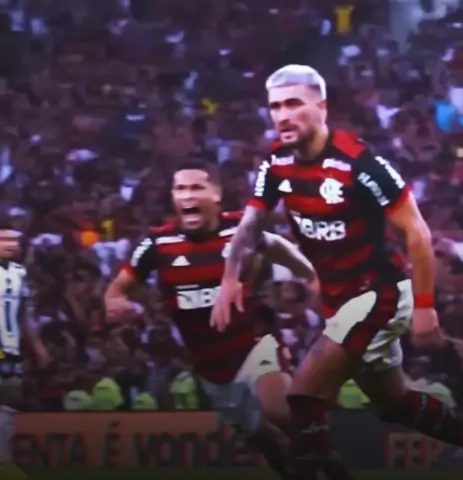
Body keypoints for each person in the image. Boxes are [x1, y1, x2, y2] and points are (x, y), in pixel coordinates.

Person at [212, 64, 463, 480]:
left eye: (293, 104)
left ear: (321, 107)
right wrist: (230, 277)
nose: (283, 115)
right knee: (393, 403)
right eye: (275, 107)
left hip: (379, 294)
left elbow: (417, 232)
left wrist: (425, 308)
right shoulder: (277, 163)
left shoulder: (359, 163)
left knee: (303, 395)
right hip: (339, 303)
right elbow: (250, 225)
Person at [104, 159, 316, 478]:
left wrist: (310, 279)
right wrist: (117, 303)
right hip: (210, 365)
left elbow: (285, 253)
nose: (187, 195)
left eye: (196, 187)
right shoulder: (157, 244)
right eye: (180, 189)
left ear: (216, 195)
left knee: (279, 410)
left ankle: (332, 466)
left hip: (254, 342)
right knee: (265, 440)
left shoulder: (244, 229)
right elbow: (117, 289)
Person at [0, 223, 49, 479]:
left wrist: (38, 347)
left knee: (11, 398)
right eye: (4, 240)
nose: (11, 245)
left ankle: (5, 461)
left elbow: (25, 315)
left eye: (14, 241)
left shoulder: (19, 273)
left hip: (11, 348)